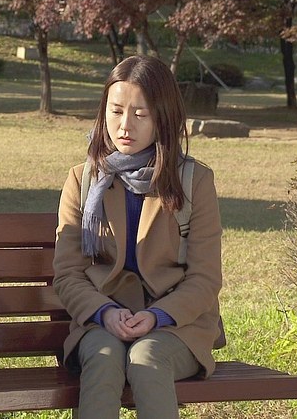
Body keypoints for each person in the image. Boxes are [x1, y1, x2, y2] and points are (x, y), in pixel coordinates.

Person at [52, 55, 223, 419]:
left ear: (164, 117)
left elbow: (205, 278)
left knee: (147, 359)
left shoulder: (194, 181)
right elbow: (68, 274)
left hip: (177, 324)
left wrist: (158, 315)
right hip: (101, 319)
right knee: (104, 358)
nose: (124, 125)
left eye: (140, 114)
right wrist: (104, 312)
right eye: (115, 111)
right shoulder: (83, 180)